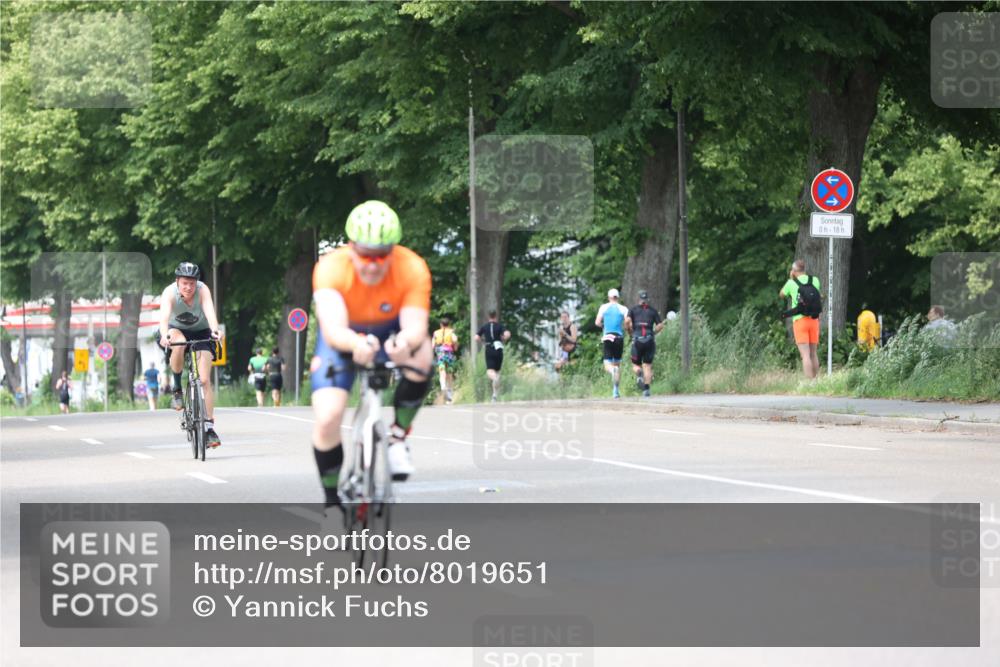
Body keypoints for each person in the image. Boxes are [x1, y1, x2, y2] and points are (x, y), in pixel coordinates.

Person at [310, 200, 433, 520]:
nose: (374, 264)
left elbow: (416, 326)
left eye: (382, 255)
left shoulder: (412, 267)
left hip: (389, 330)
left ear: (394, 250)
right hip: (344, 336)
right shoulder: (330, 268)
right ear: (351, 247)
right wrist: (356, 343)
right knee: (328, 417)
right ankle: (332, 504)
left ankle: (397, 437)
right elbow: (333, 329)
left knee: (423, 355)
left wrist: (404, 343)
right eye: (366, 255)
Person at [158, 262, 223, 447]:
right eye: (184, 283)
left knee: (204, 380)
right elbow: (164, 318)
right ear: (177, 281)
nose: (188, 287)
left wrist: (215, 331)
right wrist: (164, 335)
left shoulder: (203, 290)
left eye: (192, 283)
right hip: (175, 330)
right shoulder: (169, 293)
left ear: (197, 283)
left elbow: (210, 313)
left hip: (201, 332)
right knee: (178, 344)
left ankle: (209, 428)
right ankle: (177, 389)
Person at [779, 259, 822, 379]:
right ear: (804, 269)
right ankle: (816, 381)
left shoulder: (791, 283)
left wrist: (790, 279)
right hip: (814, 320)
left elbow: (781, 294)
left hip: (800, 321)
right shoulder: (815, 280)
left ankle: (809, 383)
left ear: (793, 271)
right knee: (813, 354)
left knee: (805, 356)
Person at [626, 290, 664, 397]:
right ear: (647, 299)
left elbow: (627, 321)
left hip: (637, 339)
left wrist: (629, 331)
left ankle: (639, 372)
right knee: (647, 365)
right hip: (649, 340)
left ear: (639, 299)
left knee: (635, 365)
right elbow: (660, 325)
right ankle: (646, 390)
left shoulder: (633, 310)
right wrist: (653, 333)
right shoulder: (653, 311)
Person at [596, 288, 629, 398]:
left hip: (608, 337)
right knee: (617, 365)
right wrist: (626, 328)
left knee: (608, 365)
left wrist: (604, 326)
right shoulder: (623, 308)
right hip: (619, 337)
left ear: (609, 297)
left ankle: (612, 370)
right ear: (618, 297)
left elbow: (597, 322)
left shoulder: (604, 307)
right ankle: (615, 391)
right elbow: (627, 322)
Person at [475, 310, 511, 402]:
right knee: (497, 371)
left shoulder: (484, 326)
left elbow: (476, 337)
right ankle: (494, 395)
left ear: (488, 316)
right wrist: (504, 338)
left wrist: (483, 341)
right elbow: (507, 334)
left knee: (490, 371)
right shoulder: (499, 326)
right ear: (496, 316)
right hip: (498, 350)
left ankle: (495, 379)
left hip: (489, 349)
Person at [432, 317, 459, 404]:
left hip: (440, 354)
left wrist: (435, 349)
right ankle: (449, 397)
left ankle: (443, 386)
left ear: (441, 325)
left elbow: (433, 345)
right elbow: (455, 340)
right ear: (448, 324)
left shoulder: (436, 333)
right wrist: (455, 346)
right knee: (450, 373)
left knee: (442, 370)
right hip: (449, 353)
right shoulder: (451, 332)